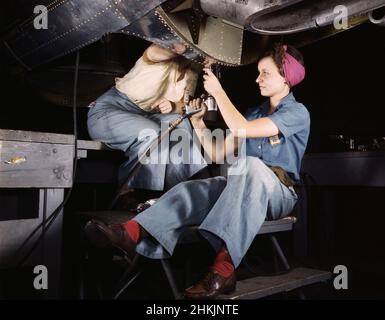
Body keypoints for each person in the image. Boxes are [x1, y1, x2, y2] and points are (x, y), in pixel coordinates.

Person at [85, 43, 310, 299]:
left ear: (286, 77)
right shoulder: (252, 113)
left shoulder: (297, 112)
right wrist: (198, 122)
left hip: (278, 195)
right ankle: (130, 234)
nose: (257, 79)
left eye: (265, 73)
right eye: (257, 72)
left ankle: (224, 269)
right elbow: (217, 153)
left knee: (250, 166)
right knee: (193, 188)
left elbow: (240, 130)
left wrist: (219, 92)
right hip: (241, 188)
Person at [87, 43, 208, 192]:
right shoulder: (157, 53)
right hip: (110, 111)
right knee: (150, 132)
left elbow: (183, 104)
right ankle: (129, 192)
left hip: (146, 117)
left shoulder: (192, 71)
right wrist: (180, 47)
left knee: (180, 126)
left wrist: (173, 106)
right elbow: (153, 53)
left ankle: (176, 192)